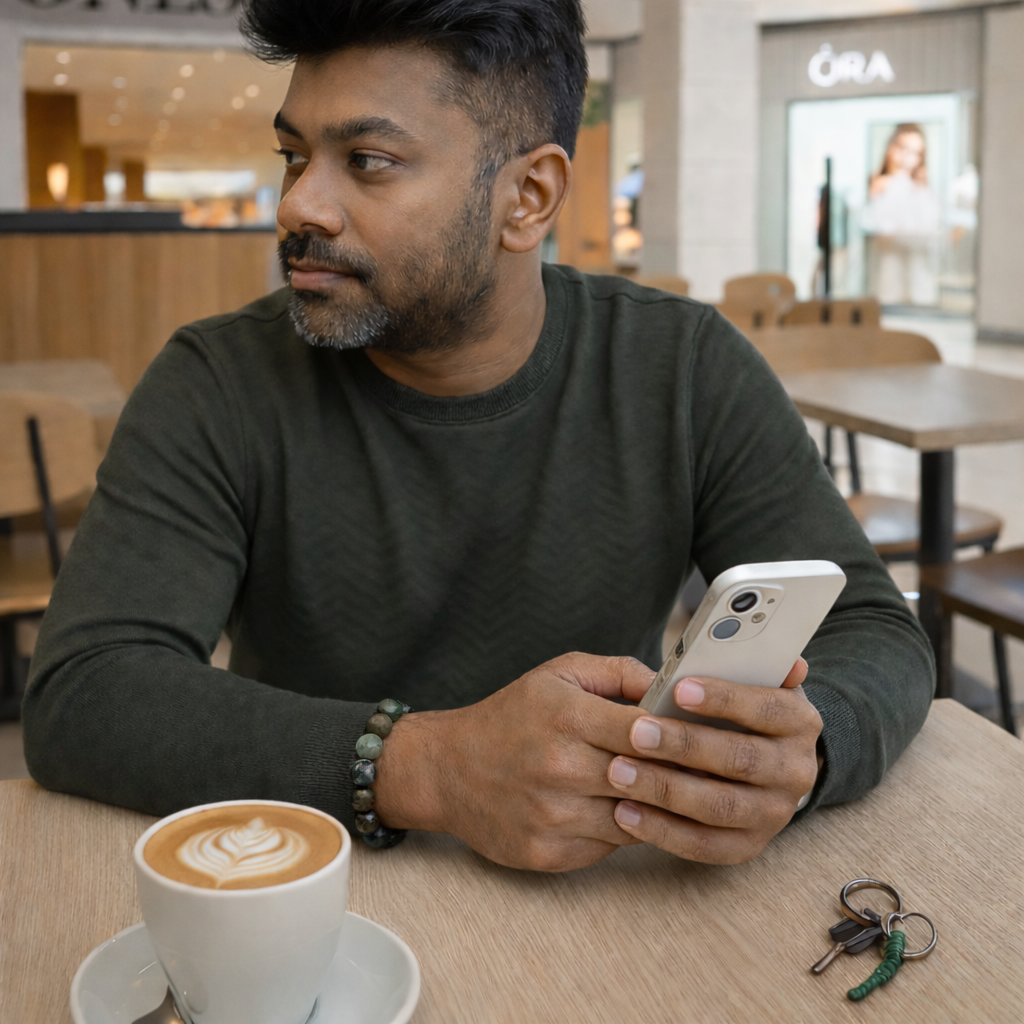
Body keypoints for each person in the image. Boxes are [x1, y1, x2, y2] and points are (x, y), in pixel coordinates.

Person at [22, 0, 933, 873]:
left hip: (611, 896)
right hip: (317, 894)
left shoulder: (681, 369)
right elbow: (85, 691)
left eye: (368, 160)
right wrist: (427, 767)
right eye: (293, 156)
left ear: (528, 197)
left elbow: (873, 631)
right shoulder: (218, 383)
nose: (302, 205)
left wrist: (805, 753)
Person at [862, 123, 942, 306]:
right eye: (905, 150)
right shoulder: (883, 183)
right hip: (890, 256)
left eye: (917, 153)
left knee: (919, 291)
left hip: (919, 257)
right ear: (893, 149)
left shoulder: (922, 187)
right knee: (890, 290)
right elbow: (879, 221)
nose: (910, 158)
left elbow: (930, 221)